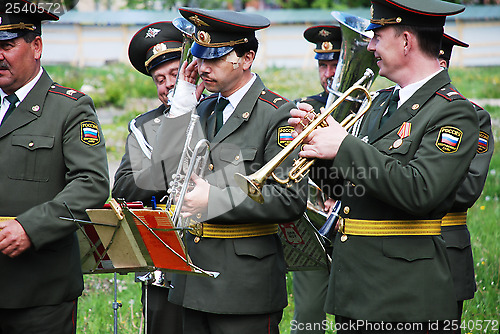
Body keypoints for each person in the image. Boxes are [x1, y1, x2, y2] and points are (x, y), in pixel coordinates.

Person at [288, 0, 479, 332]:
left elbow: (422, 191)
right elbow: (355, 185)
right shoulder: (379, 102)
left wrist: (343, 147)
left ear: (406, 41)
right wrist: (316, 147)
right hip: (356, 288)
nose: (371, 44)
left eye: (377, 34)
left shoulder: (453, 111)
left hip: (404, 295)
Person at [150, 7, 307, 334]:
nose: (203, 68)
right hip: (192, 277)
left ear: (247, 58)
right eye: (200, 57)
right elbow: (161, 172)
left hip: (244, 285)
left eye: (215, 58)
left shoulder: (277, 114)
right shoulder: (201, 108)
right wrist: (180, 102)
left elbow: (290, 198)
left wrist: (216, 199)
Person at [0, 1, 109, 333]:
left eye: (6, 45)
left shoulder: (69, 109)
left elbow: (92, 183)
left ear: (37, 46)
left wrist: (31, 228)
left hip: (39, 292)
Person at [111, 21, 184, 334]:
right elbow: (124, 189)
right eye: (159, 79)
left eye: (175, 75)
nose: (167, 85)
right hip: (163, 258)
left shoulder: (219, 116)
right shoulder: (144, 127)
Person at [438, 32, 494, 324]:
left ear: (442, 62)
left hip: (446, 250)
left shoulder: (474, 116)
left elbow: (468, 188)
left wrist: (410, 183)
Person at [291, 24, 342, 334]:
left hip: (361, 224)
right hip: (316, 225)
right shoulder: (306, 108)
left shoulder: (374, 105)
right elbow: (292, 167)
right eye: (323, 65)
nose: (329, 73)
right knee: (308, 318)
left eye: (335, 64)